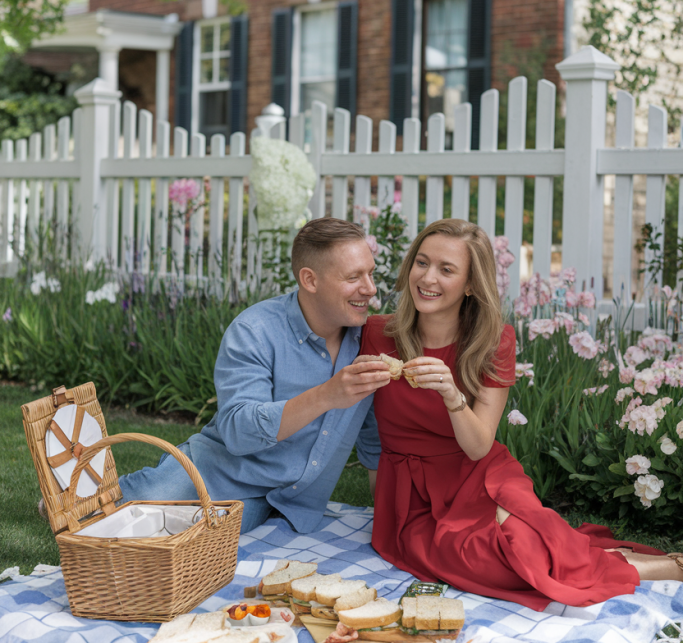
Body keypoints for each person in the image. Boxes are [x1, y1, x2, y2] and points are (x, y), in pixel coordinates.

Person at [358, 218, 683, 611]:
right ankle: (631, 566)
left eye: (446, 269)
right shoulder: (376, 334)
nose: (427, 278)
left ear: (472, 284)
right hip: (412, 494)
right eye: (422, 263)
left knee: (527, 541)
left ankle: (656, 566)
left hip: (478, 473)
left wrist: (451, 394)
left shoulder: (493, 343)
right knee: (480, 562)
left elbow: (479, 447)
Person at [116, 218, 391, 532]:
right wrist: (327, 395)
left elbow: (374, 440)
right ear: (310, 280)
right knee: (135, 518)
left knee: (201, 546)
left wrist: (384, 519)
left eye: (371, 274)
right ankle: (101, 497)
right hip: (221, 475)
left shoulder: (367, 341)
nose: (370, 289)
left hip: (294, 502)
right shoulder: (255, 330)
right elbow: (237, 430)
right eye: (354, 277)